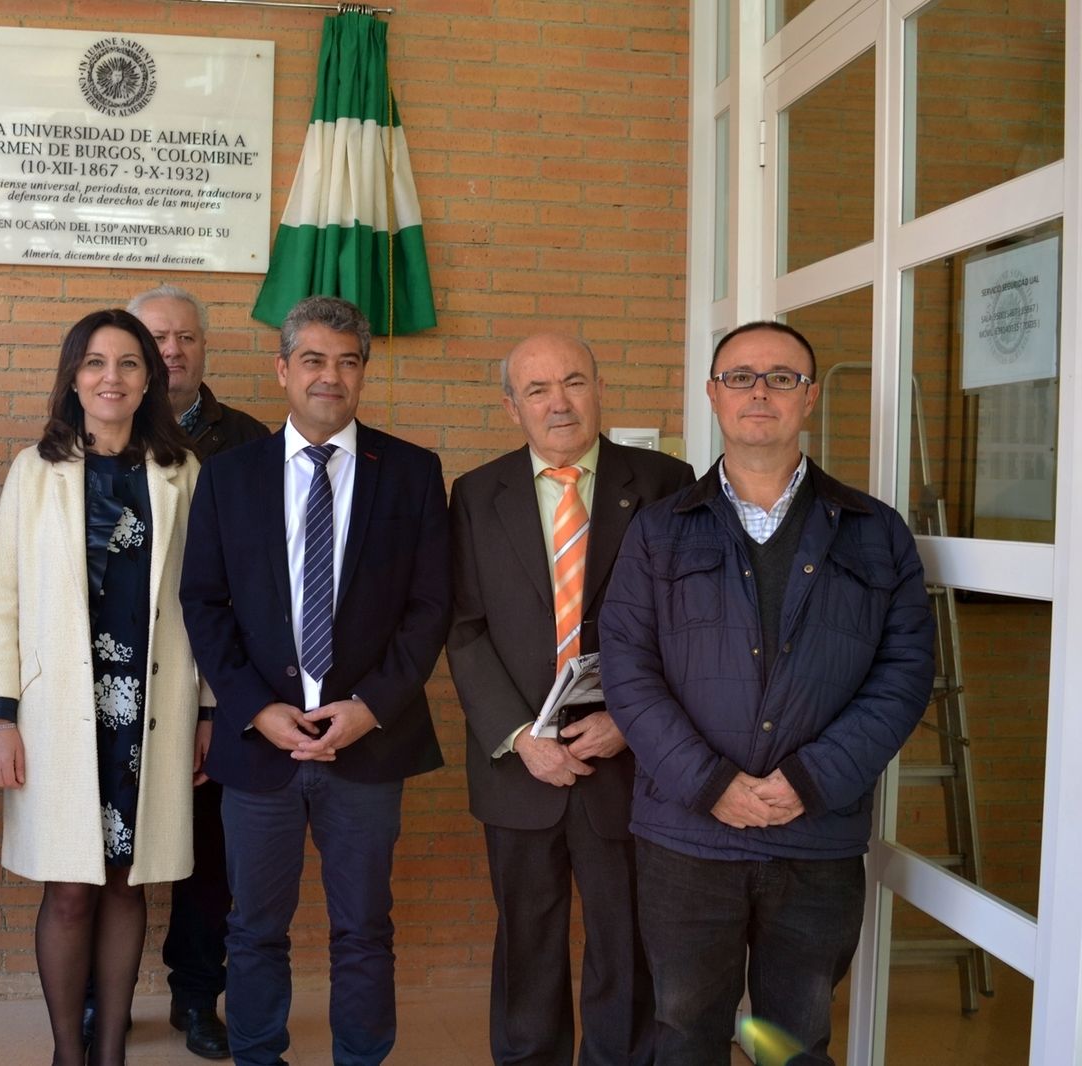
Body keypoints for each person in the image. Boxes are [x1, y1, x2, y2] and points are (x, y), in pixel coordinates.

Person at [600, 321, 936, 1065]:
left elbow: (905, 672)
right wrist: (711, 783)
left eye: (781, 377)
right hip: (688, 838)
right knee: (684, 1029)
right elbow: (627, 667)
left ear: (808, 398)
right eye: (741, 377)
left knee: (798, 1039)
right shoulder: (660, 532)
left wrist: (811, 780)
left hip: (815, 838)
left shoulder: (875, 534)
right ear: (715, 396)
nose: (761, 391)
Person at [180, 295, 450, 1066]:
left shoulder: (412, 472)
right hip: (261, 745)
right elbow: (203, 602)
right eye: (313, 359)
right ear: (283, 370)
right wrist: (255, 707)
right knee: (253, 927)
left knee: (364, 927)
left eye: (347, 361)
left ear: (362, 372)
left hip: (367, 745)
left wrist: (371, 707)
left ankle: (360, 1057)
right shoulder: (230, 477)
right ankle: (258, 1054)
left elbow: (431, 608)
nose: (329, 376)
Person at [448, 332, 693, 1066]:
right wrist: (521, 735)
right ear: (511, 406)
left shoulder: (664, 481)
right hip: (519, 765)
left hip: (628, 761)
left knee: (628, 942)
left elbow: (688, 624)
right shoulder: (475, 493)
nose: (559, 402)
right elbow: (463, 631)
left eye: (574, 382)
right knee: (527, 940)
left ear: (599, 385)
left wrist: (630, 719)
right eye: (537, 390)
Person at [0, 308, 202, 1066]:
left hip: (151, 707)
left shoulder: (182, 472)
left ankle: (110, 1050)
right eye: (97, 363)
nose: (113, 377)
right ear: (73, 377)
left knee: (127, 884)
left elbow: (205, 602)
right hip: (56, 714)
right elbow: (0, 598)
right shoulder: (34, 471)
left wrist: (205, 712)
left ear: (151, 380)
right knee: (70, 886)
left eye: (130, 363)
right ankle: (66, 1052)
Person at [124, 283, 269, 1060]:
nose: (172, 350)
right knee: (111, 851)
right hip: (116, 680)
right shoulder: (95, 434)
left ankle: (195, 997)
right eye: (157, 338)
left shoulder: (247, 441)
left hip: (215, 682)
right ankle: (99, 996)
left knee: (208, 856)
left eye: (186, 338)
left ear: (204, 349)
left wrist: (225, 702)